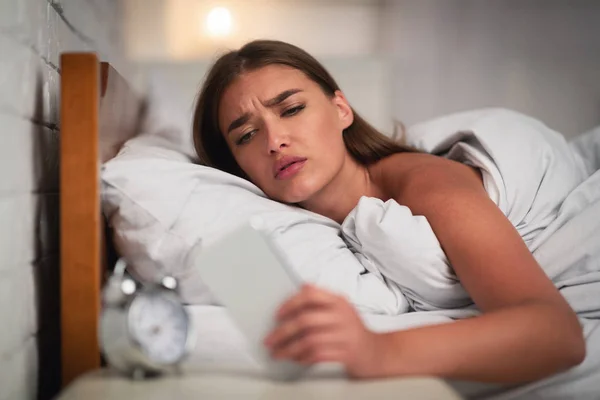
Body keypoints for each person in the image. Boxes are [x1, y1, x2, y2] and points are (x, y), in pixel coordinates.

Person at [191, 40, 585, 384]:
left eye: (291, 109)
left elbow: (557, 333)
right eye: (246, 135)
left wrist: (377, 350)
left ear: (341, 110)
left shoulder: (428, 185)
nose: (275, 141)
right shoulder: (285, 227)